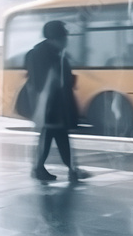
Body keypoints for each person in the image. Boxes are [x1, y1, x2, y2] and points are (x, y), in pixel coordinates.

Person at [20, 20, 85, 182]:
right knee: (52, 135)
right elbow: (41, 82)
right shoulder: (42, 54)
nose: (67, 40)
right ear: (55, 38)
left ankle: (67, 169)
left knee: (56, 135)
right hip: (49, 105)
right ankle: (47, 169)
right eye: (64, 36)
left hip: (55, 104)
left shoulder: (54, 52)